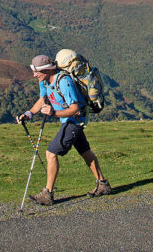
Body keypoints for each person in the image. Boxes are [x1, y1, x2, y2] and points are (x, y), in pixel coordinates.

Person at [16, 54, 111, 205]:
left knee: (51, 153)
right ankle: (103, 184)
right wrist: (28, 114)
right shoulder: (44, 82)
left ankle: (47, 194)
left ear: (46, 70)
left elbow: (75, 109)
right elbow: (42, 100)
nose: (34, 75)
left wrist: (53, 113)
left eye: (37, 72)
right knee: (85, 151)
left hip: (74, 121)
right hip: (68, 121)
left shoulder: (64, 82)